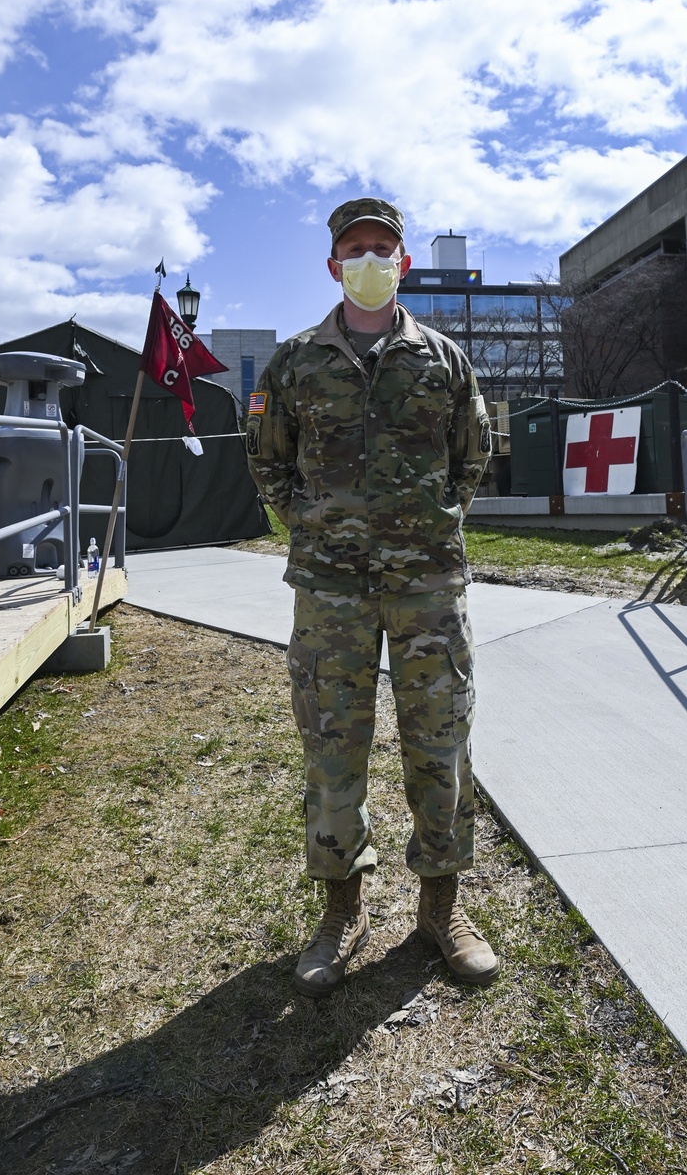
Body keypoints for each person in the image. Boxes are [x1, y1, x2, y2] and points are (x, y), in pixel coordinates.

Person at [245, 197, 498, 997]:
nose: (368, 259)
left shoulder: (444, 360)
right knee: (332, 748)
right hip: (331, 589)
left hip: (428, 585)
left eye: (382, 248)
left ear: (403, 263)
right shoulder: (292, 365)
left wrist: (435, 520)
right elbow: (267, 461)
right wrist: (313, 521)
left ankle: (440, 908)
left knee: (441, 745)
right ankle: (342, 908)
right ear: (332, 266)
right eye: (354, 248)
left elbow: (473, 454)